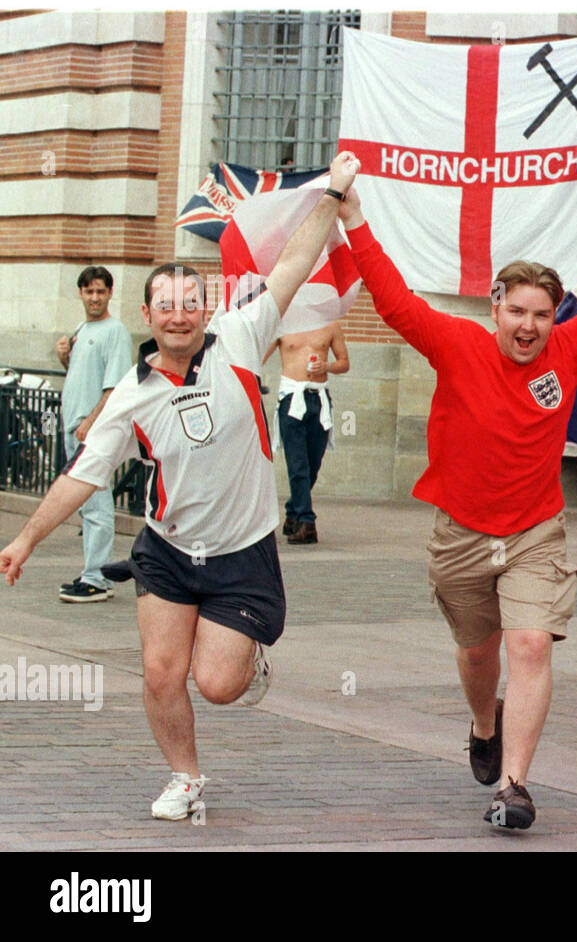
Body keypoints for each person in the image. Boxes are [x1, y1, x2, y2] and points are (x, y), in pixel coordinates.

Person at [335, 167, 577, 829]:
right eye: (516, 312)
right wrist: (352, 216)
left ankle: (513, 786)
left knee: (531, 646)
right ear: (495, 311)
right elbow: (395, 300)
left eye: (541, 315)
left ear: (553, 319)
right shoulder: (456, 345)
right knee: (476, 651)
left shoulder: (569, 349)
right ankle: (484, 721)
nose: (529, 326)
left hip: (534, 535)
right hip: (459, 533)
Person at [0, 151, 363, 820]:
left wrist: (332, 194)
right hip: (167, 550)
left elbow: (293, 263)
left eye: (188, 304)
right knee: (163, 672)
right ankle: (185, 777)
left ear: (204, 308)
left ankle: (243, 659)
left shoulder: (242, 335)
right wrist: (25, 538)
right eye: (164, 306)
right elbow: (82, 475)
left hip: (241, 549)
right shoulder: (131, 396)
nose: (177, 316)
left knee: (216, 684)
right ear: (148, 312)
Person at [54, 266, 134, 602]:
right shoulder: (83, 328)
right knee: (86, 506)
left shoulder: (115, 331)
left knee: (98, 502)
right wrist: (63, 358)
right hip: (75, 426)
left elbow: (114, 386)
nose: (95, 298)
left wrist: (92, 422)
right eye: (89, 292)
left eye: (101, 291)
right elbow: (82, 375)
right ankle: (92, 570)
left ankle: (99, 578)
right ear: (81, 294)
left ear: (110, 293)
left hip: (92, 430)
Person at [270, 322, 350, 544]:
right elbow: (259, 356)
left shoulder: (331, 325)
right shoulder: (282, 323)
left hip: (319, 398)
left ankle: (293, 512)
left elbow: (344, 363)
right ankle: (306, 522)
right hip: (292, 398)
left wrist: (327, 366)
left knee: (313, 463)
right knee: (298, 465)